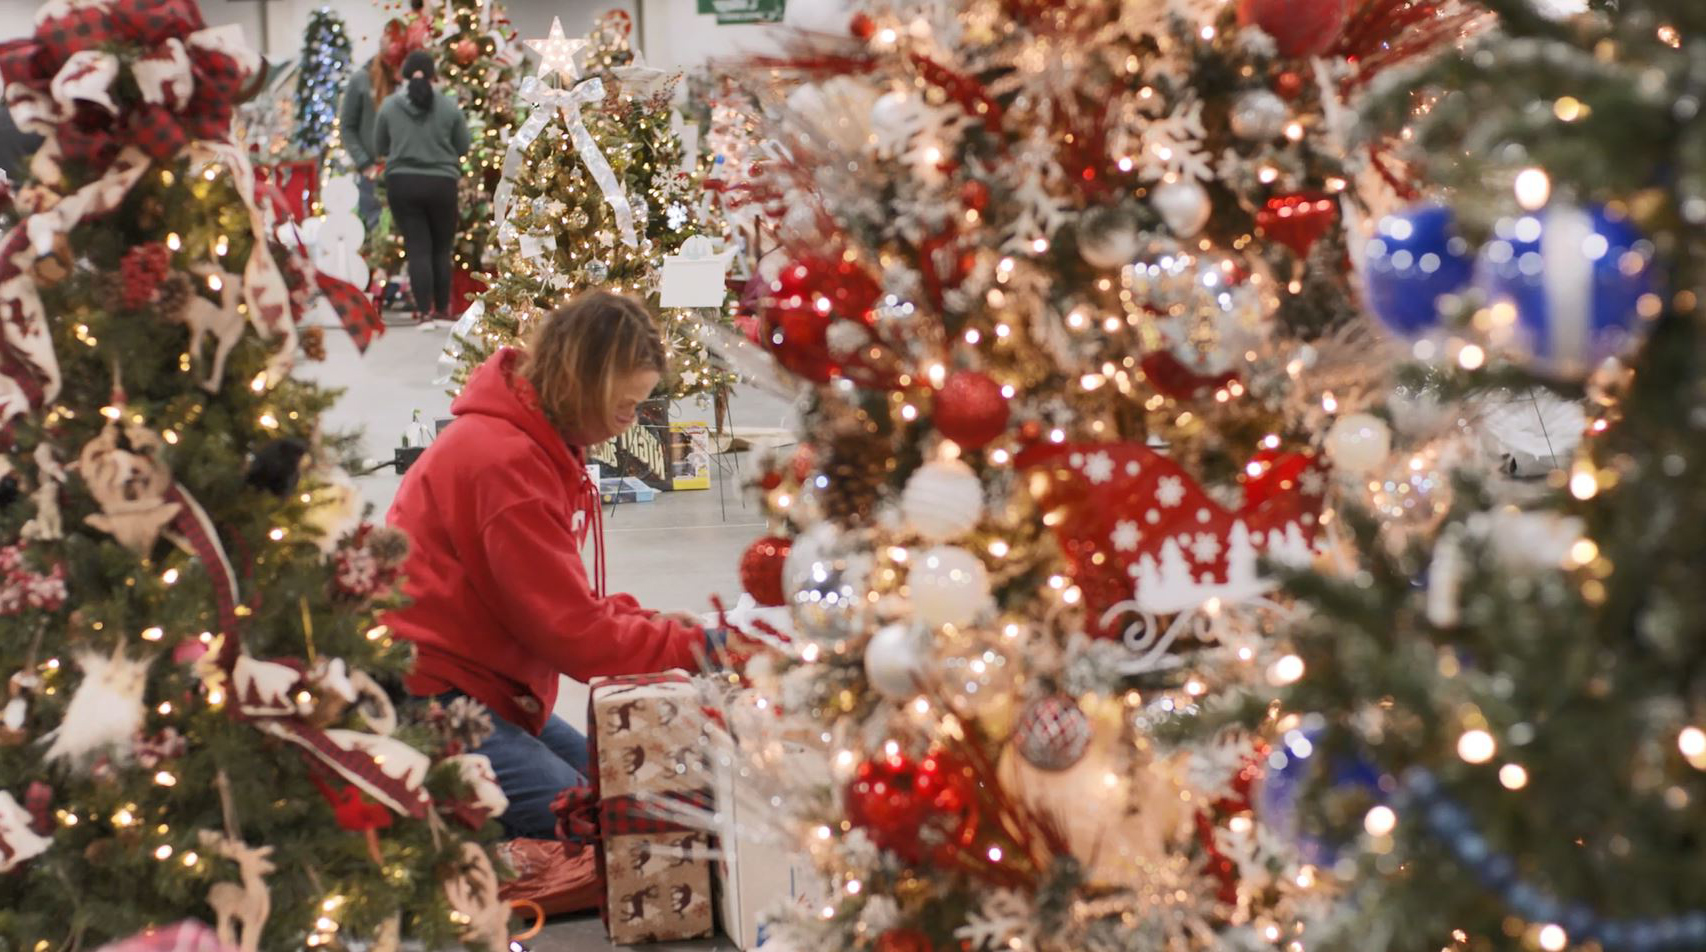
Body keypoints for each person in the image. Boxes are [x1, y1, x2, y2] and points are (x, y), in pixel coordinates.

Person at [385, 291, 714, 840]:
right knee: (599, 824)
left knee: (626, 795)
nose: (628, 423)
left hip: (479, 687)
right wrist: (700, 649)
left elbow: (555, 598)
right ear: (582, 382)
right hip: (428, 698)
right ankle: (426, 813)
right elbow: (574, 635)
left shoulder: (532, 443)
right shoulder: (506, 464)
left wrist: (658, 625)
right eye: (623, 406)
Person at [374, 50, 469, 326]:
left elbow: (379, 146)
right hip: (442, 184)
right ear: (433, 75)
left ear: (403, 75)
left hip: (402, 184)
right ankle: (442, 311)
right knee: (441, 248)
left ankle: (424, 312)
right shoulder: (449, 106)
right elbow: (463, 145)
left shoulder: (389, 106)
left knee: (418, 248)